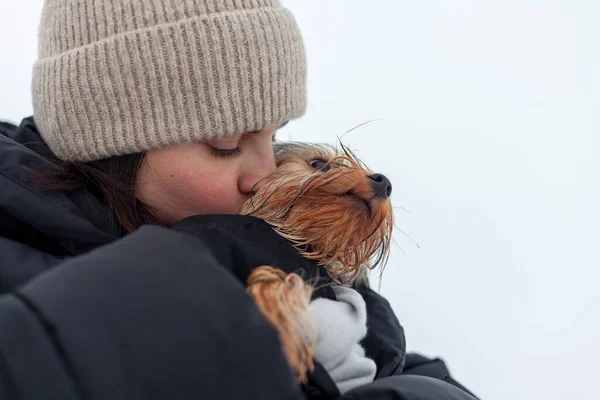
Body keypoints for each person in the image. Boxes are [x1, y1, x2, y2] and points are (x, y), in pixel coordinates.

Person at [0, 1, 478, 399]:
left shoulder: (330, 305)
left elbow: (428, 382)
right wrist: (208, 269)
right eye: (226, 145)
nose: (265, 173)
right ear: (110, 149)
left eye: (273, 138)